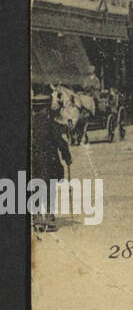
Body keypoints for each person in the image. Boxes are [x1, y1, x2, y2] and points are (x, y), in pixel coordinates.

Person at [31, 91, 72, 232]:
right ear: (46, 108)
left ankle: (36, 218)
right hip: (49, 161)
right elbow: (61, 142)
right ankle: (49, 218)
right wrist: (67, 157)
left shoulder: (30, 123)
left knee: (34, 186)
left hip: (33, 161)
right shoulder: (50, 124)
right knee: (49, 188)